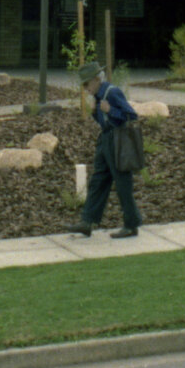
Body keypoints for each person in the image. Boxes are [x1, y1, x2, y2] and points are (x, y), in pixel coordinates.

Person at [68, 61, 143, 239]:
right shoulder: (98, 96)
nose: (85, 88)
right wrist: (96, 113)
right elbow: (104, 121)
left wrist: (110, 110)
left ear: (96, 80)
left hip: (117, 141)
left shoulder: (112, 92)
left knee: (123, 182)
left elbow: (130, 116)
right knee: (98, 180)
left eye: (86, 84)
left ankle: (131, 225)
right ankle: (87, 222)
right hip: (106, 140)